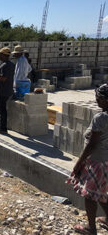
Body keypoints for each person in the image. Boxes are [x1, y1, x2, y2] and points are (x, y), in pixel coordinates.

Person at [67, 84, 108, 235]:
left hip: (96, 162)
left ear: (105, 99)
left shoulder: (101, 118)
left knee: (90, 195)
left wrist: (79, 163)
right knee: (101, 193)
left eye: (99, 97)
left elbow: (92, 144)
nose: (96, 99)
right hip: (106, 162)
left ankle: (91, 228)